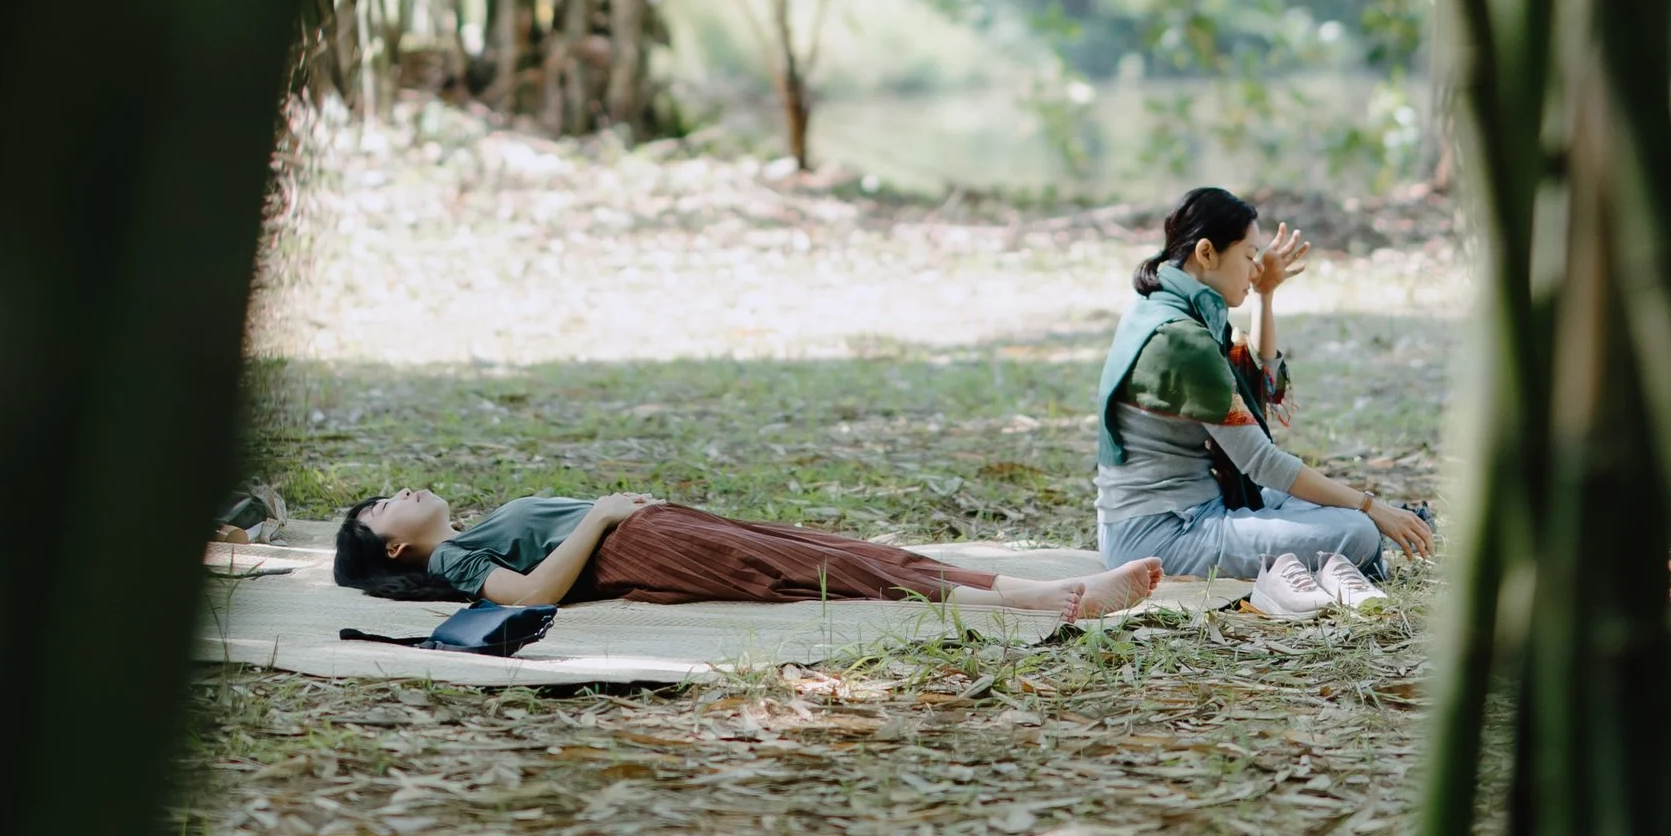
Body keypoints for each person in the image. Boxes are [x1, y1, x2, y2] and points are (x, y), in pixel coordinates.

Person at [1095, 184, 1433, 612]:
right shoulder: (1183, 341)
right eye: (1250, 257)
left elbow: (1257, 383)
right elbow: (1262, 462)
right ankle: (1326, 566)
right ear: (1206, 252)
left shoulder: (1166, 309)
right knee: (1359, 530)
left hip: (1170, 514)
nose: (1256, 269)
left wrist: (1265, 297)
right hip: (1164, 534)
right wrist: (1372, 506)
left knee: (1341, 512)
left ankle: (1322, 561)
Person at [335, 486, 1162, 619]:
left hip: (648, 527)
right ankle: (1044, 597)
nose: (398, 491)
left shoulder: (467, 534)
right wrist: (599, 519)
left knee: (843, 549)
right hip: (638, 546)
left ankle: (1040, 588)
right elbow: (528, 599)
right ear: (398, 545)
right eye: (382, 508)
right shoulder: (448, 562)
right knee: (834, 570)